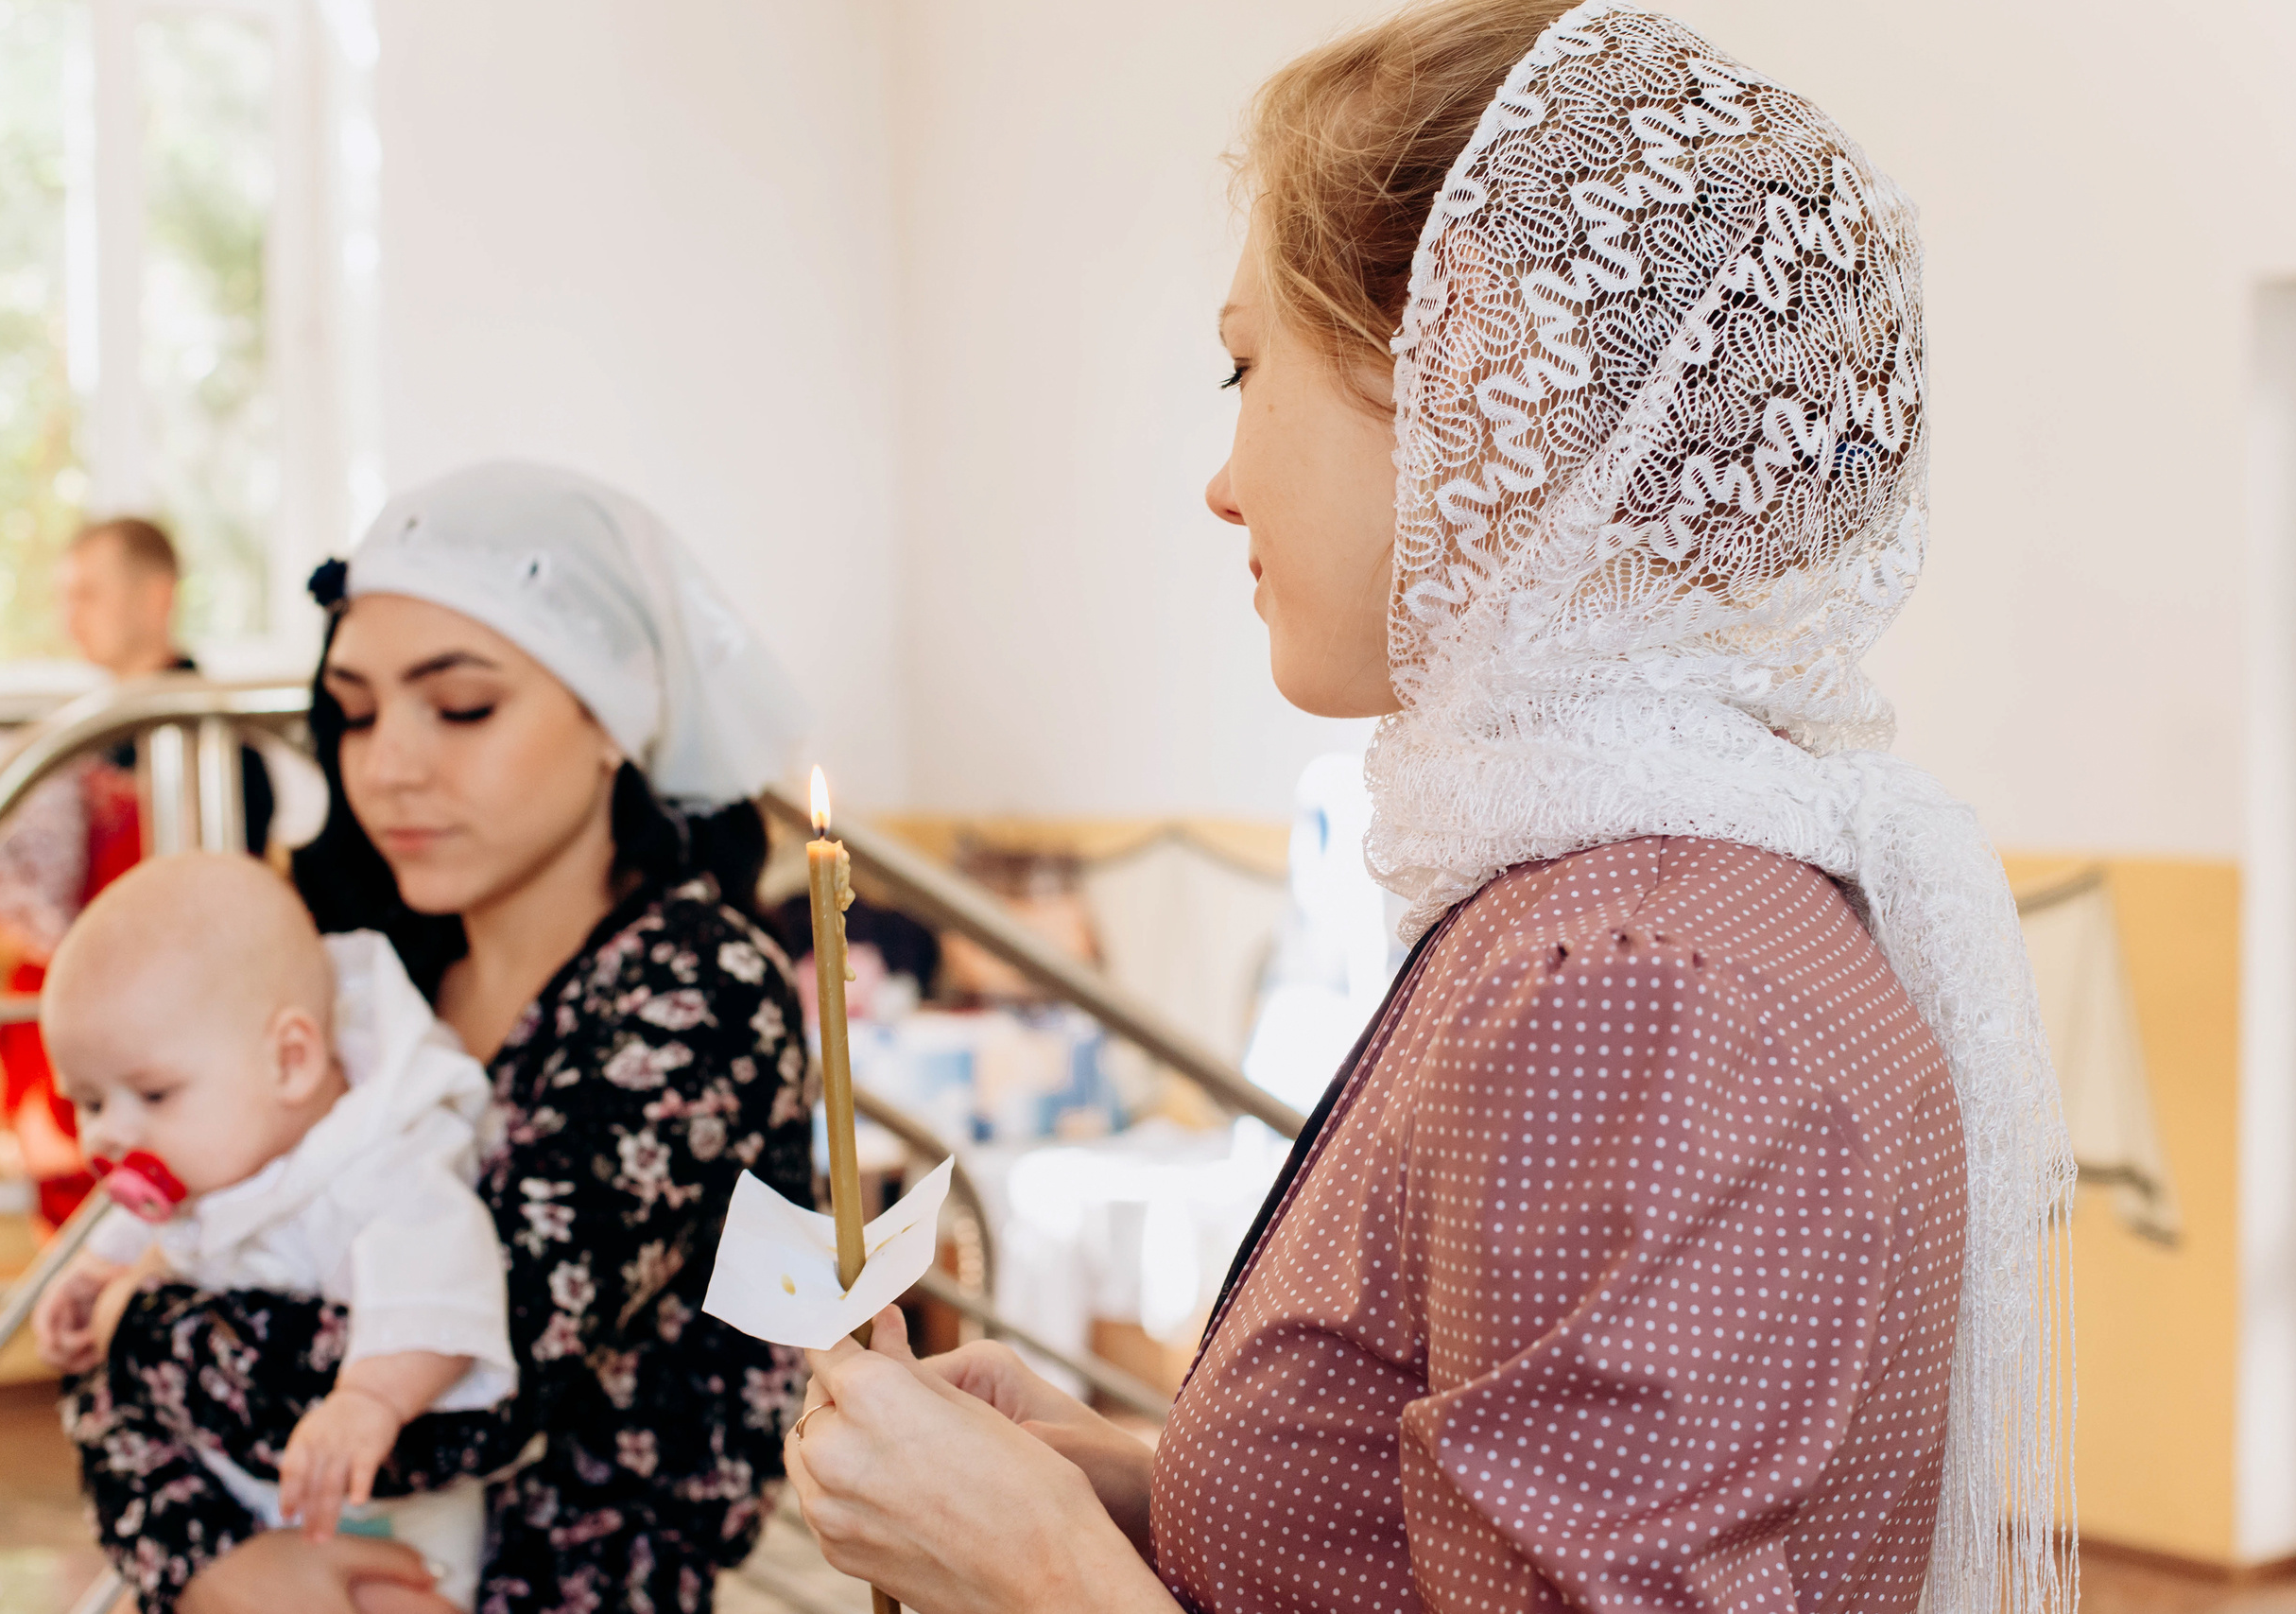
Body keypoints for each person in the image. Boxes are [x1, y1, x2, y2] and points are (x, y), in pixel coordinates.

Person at [781, 5, 2076, 1614]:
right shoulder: (1645, 896)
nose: (1224, 477)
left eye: (1245, 365)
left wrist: (1027, 1563)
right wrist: (1105, 1472)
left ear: (1488, 373)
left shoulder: (1630, 984)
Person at [59, 461, 819, 1614]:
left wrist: (132, 1325)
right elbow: (156, 1230)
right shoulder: (349, 973)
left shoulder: (694, 992)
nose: (391, 764)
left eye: (461, 707)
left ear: (613, 712)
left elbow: (469, 1383)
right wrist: (221, 1567)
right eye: (357, 712)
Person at [35, 852, 513, 1610]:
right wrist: (94, 1272)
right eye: (89, 1101)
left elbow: (442, 1288)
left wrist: (369, 1399)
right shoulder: (208, 1151)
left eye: (152, 1091)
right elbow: (142, 1218)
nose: (111, 1135)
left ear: (290, 1059)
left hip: (382, 1518)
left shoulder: (380, 1164)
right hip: (244, 1497)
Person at [0, 515, 275, 1226]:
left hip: (154, 1039)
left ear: (156, 597)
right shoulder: (87, 733)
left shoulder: (211, 739)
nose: (71, 616)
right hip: (66, 1033)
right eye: (65, 596)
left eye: (90, 594)